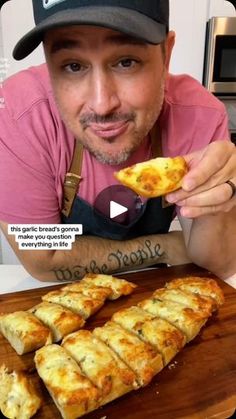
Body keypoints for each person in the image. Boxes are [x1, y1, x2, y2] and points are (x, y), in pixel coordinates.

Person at [0, 0, 236, 283]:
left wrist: (221, 199)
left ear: (166, 55)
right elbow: (42, 257)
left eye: (126, 62)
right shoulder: (19, 115)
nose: (101, 105)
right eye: (72, 66)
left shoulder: (200, 116)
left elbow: (216, 264)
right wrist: (166, 247)